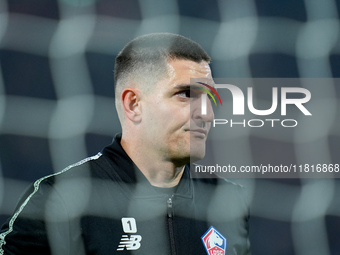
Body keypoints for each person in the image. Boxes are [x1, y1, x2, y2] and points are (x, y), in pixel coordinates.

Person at [0, 33, 250, 255]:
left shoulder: (227, 201)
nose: (206, 114)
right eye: (185, 94)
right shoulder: (63, 198)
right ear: (133, 104)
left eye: (210, 97)